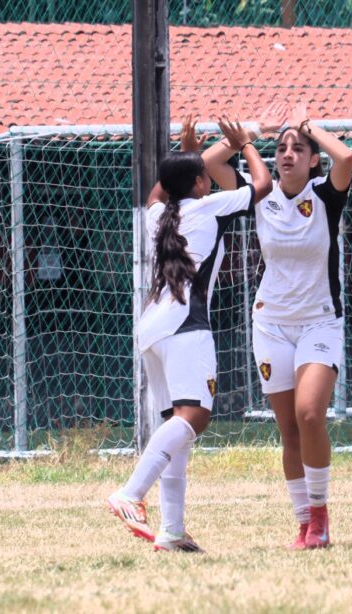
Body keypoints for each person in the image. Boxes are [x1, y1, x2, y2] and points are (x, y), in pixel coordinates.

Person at [106, 116, 273, 552]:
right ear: (201, 184)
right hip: (185, 325)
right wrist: (244, 144)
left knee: (178, 426)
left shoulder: (157, 213)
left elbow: (161, 187)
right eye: (203, 175)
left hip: (152, 331)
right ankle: (130, 493)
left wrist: (189, 151)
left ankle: (173, 530)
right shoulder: (207, 207)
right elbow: (263, 185)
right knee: (195, 417)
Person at [203, 102, 352, 549]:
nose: (286, 153)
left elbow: (344, 158)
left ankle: (322, 517)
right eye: (281, 147)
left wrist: (308, 126)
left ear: (312, 160)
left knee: (311, 415)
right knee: (288, 429)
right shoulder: (261, 192)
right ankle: (303, 522)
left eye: (298, 148)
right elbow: (209, 164)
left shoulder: (326, 194)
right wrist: (250, 133)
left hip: (319, 324)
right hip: (270, 325)